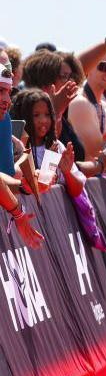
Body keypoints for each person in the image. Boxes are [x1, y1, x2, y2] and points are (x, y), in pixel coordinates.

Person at [0, 66, 44, 249]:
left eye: (8, 92)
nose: (6, 100)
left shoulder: (4, 120)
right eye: (0, 91)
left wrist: (24, 185)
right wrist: (18, 213)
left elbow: (2, 176)